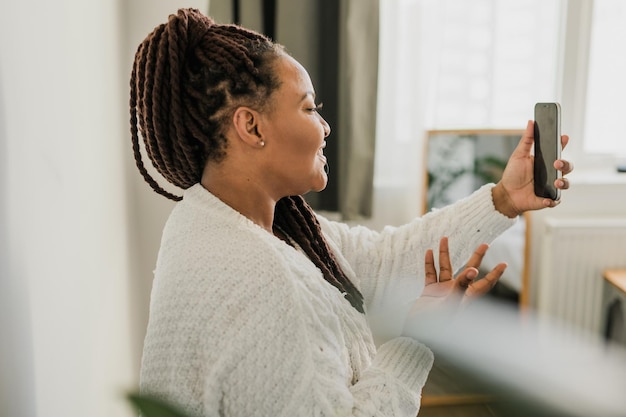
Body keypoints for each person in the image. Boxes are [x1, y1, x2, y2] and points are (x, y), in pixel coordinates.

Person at [130, 8, 572, 417]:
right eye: (308, 107)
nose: (324, 126)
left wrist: (503, 199)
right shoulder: (262, 281)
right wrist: (416, 341)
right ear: (251, 126)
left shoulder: (235, 220)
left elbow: (379, 260)